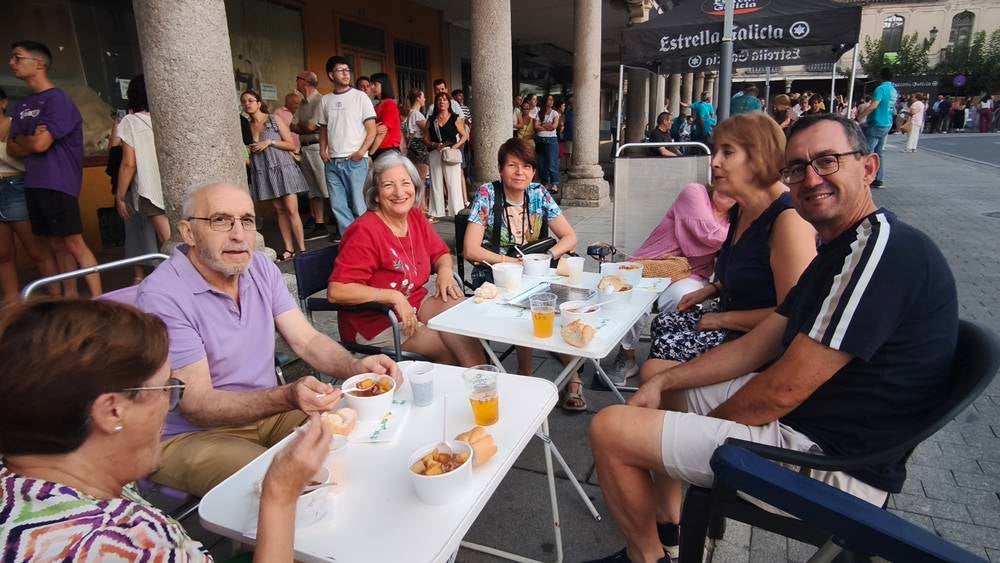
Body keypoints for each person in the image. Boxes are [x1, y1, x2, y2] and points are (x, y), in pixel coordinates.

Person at [585, 113, 958, 563]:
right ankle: (669, 529)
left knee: (610, 429)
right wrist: (666, 381)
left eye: (827, 161)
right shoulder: (839, 248)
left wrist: (708, 428)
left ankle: (646, 558)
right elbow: (761, 343)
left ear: (868, 167)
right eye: (797, 168)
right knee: (662, 382)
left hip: (831, 464)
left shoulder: (881, 250)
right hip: (805, 423)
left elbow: (782, 390)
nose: (810, 179)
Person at [0, 299, 336, 562]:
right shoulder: (117, 544)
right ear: (112, 411)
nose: (168, 404)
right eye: (165, 389)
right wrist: (279, 496)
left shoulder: (21, 486)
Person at [136, 182, 400, 497]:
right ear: (188, 233)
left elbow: (306, 341)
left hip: (266, 412)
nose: (238, 235)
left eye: (247, 220)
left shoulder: (259, 267)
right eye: (221, 220)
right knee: (288, 485)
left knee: (357, 442)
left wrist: (355, 366)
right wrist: (286, 396)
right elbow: (197, 404)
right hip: (191, 435)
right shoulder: (163, 295)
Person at [640, 113, 817, 376]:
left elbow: (794, 313)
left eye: (728, 152)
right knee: (663, 323)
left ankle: (673, 394)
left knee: (662, 351)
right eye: (715, 152)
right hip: (735, 318)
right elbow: (754, 270)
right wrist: (711, 290)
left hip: (763, 344)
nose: (714, 162)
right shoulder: (743, 208)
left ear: (759, 156)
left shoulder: (789, 220)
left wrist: (721, 319)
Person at [462, 138, 588, 409]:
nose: (520, 172)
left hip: (537, 271)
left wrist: (547, 256)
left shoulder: (539, 194)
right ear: (500, 169)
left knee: (564, 303)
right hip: (496, 274)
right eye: (512, 165)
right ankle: (525, 372)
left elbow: (569, 237)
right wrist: (511, 262)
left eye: (527, 166)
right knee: (532, 302)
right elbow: (470, 249)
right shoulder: (487, 194)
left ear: (533, 171)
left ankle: (573, 377)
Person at [328, 153, 486, 367]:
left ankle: (483, 377)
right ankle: (455, 382)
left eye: (405, 183)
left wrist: (445, 272)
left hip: (414, 303)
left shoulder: (414, 217)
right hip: (374, 321)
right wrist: (393, 297)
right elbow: (337, 291)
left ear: (415, 187)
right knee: (441, 343)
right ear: (376, 194)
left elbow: (440, 253)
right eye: (388, 185)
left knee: (458, 316)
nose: (399, 192)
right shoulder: (364, 231)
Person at [608, 182, 735, 382]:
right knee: (636, 297)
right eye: (722, 181)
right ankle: (626, 355)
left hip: (690, 274)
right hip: (652, 266)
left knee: (682, 298)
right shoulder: (695, 192)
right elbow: (707, 233)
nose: (726, 187)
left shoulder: (735, 219)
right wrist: (737, 237)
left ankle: (667, 356)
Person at [6, 40, 101, 297]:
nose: (12, 63)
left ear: (39, 63)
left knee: (74, 242)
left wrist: (26, 141)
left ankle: (99, 299)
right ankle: (70, 297)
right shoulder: (23, 105)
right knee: (55, 244)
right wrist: (29, 141)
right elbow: (11, 148)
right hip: (33, 182)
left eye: (17, 57)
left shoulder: (58, 100)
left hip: (58, 182)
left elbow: (40, 144)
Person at [0, 85, 57, 303]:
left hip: (16, 185)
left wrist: (15, 147)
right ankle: (13, 303)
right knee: (3, 253)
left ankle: (55, 299)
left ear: (3, 103)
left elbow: (28, 154)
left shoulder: (16, 124)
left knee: (37, 250)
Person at [242, 89, 309, 260]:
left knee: (291, 209)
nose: (247, 104)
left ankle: (302, 249)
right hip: (264, 169)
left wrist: (269, 142)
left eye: (250, 100)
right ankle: (288, 249)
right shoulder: (247, 127)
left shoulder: (273, 119)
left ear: (258, 103)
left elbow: (291, 145)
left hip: (282, 167)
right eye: (244, 101)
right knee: (279, 210)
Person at [319, 56, 377, 233]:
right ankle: (351, 240)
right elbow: (323, 128)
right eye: (340, 70)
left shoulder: (360, 97)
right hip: (332, 161)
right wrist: (322, 150)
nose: (345, 74)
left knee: (359, 205)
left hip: (355, 160)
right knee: (338, 206)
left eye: (347, 70)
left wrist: (361, 152)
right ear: (331, 75)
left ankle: (367, 239)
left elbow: (372, 129)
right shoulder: (325, 100)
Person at [115, 75, 170, 248]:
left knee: (168, 242)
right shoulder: (168, 118)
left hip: (150, 188)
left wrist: (120, 196)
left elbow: (129, 163)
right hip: (174, 185)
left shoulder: (130, 121)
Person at [291, 70, 331, 241]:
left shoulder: (320, 100)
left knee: (325, 187)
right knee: (313, 189)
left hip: (317, 147)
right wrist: (305, 126)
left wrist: (304, 126)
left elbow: (311, 126)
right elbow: (292, 126)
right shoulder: (302, 103)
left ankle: (338, 223)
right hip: (305, 148)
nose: (296, 82)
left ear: (304, 81)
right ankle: (319, 225)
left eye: (297, 79)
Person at [424, 91, 468, 219]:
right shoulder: (431, 120)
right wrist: (434, 144)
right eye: (439, 100)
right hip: (435, 152)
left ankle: (457, 212)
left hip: (450, 152)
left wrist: (455, 146)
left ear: (449, 103)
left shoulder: (455, 118)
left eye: (444, 100)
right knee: (436, 183)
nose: (442, 102)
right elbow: (425, 139)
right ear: (436, 103)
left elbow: (464, 135)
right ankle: (435, 212)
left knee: (453, 183)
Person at [855, 68, 896, 189]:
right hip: (887, 123)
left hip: (877, 122)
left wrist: (859, 117)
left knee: (867, 151)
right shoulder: (893, 90)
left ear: (880, 76)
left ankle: (863, 177)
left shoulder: (881, 89)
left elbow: (874, 105)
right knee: (879, 152)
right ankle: (879, 179)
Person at [403, 89, 430, 214]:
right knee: (421, 180)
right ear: (418, 98)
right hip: (419, 149)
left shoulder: (409, 114)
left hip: (412, 150)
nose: (424, 99)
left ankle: (420, 207)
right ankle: (421, 209)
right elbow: (428, 129)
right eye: (423, 97)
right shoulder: (417, 115)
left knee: (417, 179)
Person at [369, 72, 401, 159]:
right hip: (378, 148)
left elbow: (382, 131)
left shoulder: (390, 104)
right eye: (371, 84)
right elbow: (374, 129)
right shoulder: (377, 105)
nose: (372, 87)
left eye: (375, 84)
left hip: (388, 149)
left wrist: (371, 154)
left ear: (383, 85)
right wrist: (374, 130)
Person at [535, 94, 561, 194]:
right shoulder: (539, 113)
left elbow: (554, 126)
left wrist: (542, 124)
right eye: (549, 99)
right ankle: (544, 183)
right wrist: (547, 126)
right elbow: (536, 126)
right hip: (540, 140)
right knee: (541, 163)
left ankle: (554, 184)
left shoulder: (554, 113)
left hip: (551, 140)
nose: (551, 101)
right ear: (545, 101)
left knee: (552, 163)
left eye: (552, 100)